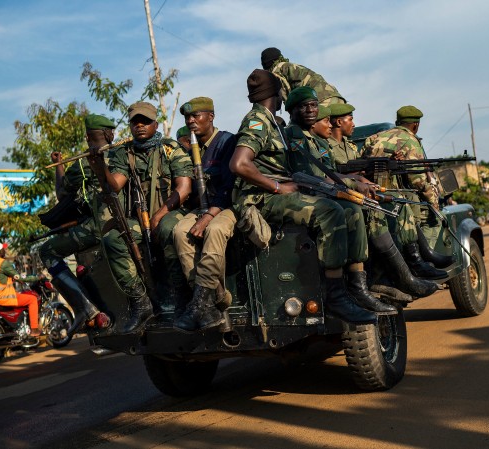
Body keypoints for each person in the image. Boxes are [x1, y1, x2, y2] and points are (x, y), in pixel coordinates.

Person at [229, 70, 375, 324]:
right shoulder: (257, 121)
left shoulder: (273, 122)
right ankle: (335, 296)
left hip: (277, 192)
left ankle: (355, 287)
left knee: (351, 210)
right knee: (330, 211)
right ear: (277, 94)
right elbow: (239, 164)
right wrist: (276, 186)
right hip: (261, 199)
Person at [89, 101, 193, 333]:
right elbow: (115, 184)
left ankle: (182, 300)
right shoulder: (124, 153)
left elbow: (184, 188)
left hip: (172, 213)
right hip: (141, 222)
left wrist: (160, 214)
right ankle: (141, 302)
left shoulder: (170, 148)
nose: (140, 125)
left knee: (167, 228)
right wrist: (98, 167)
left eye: (145, 121)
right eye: (135, 122)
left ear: (155, 124)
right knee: (113, 239)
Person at [328, 103, 446, 281]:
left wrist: (387, 162)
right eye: (350, 119)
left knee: (400, 202)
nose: (353, 124)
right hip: (345, 196)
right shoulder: (328, 147)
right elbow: (334, 174)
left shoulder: (350, 146)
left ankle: (417, 258)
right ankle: (406, 267)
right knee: (393, 206)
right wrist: (359, 176)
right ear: (339, 122)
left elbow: (363, 168)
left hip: (361, 191)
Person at [39, 114, 115, 336]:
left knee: (47, 251)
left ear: (88, 136)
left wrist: (59, 165)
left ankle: (86, 309)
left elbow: (63, 193)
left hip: (100, 226)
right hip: (129, 222)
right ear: (110, 134)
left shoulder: (83, 163)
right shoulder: (125, 153)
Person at [172, 97, 238, 332]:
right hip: (201, 207)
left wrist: (209, 215)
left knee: (215, 230)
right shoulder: (189, 148)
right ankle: (206, 298)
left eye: (196, 116)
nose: (191, 121)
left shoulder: (227, 141)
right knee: (180, 231)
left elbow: (230, 185)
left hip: (226, 206)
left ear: (211, 116)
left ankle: (200, 302)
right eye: (187, 117)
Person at [361, 105, 453, 269]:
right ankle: (425, 259)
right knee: (433, 219)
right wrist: (434, 203)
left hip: (372, 190)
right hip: (392, 194)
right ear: (415, 125)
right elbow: (418, 180)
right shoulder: (410, 140)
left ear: (398, 121)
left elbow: (364, 161)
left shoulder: (374, 137)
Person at [0, 241, 42, 337]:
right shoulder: (3, 263)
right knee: (32, 299)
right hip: (3, 298)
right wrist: (37, 277)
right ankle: (34, 329)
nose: (5, 251)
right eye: (3, 249)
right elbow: (19, 277)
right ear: (0, 252)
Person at [260, 47, 345, 106]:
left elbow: (287, 97)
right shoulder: (290, 66)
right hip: (335, 96)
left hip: (320, 101)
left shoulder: (277, 70)